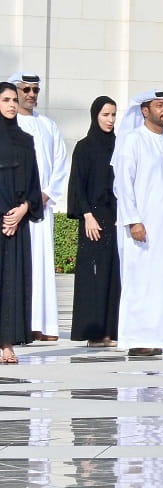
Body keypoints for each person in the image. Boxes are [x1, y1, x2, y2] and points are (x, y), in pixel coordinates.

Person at [112, 90, 163, 359]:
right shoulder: (133, 141)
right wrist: (133, 220)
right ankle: (138, 337)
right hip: (142, 227)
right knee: (141, 282)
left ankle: (161, 335)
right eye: (159, 105)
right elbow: (123, 185)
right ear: (145, 110)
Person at [8, 73, 66, 343]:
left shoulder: (48, 125)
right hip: (14, 208)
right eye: (26, 89)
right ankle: (20, 324)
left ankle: (42, 324)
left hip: (41, 207)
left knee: (42, 265)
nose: (31, 94)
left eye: (35, 90)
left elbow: (60, 163)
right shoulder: (9, 125)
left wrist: (43, 196)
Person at [68, 96, 120, 348]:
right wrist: (86, 215)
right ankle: (92, 331)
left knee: (113, 274)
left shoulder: (119, 146)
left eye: (113, 115)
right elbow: (78, 184)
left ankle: (109, 331)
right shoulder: (85, 147)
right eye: (105, 115)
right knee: (92, 275)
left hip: (115, 218)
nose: (110, 120)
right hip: (92, 217)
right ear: (95, 116)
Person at [0, 81, 46, 365]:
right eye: (5, 100)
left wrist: (23, 210)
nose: (12, 105)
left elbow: (33, 182)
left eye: (14, 100)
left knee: (12, 282)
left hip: (18, 221)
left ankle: (7, 344)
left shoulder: (25, 139)